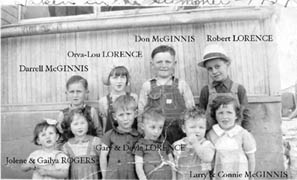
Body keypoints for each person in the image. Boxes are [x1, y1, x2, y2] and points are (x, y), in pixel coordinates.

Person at [138, 45, 195, 144]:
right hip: (155, 134)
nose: (163, 65)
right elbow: (141, 112)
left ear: (174, 64)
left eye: (168, 62)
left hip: (179, 134)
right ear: (152, 64)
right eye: (159, 62)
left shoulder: (182, 85)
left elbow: (191, 111)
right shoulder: (147, 86)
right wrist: (142, 132)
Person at [198, 44, 250, 131]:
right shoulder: (206, 91)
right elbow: (201, 117)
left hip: (235, 138)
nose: (214, 71)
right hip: (212, 138)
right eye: (210, 69)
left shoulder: (239, 89)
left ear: (227, 64)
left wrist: (247, 135)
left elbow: (246, 116)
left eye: (217, 66)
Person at [206, 96, 256, 180]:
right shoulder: (211, 134)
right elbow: (208, 160)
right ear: (215, 115)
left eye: (229, 112)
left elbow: (251, 158)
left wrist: (251, 176)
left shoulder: (242, 133)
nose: (225, 116)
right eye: (220, 113)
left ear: (236, 115)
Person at [100, 95, 140, 180]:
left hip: (132, 176)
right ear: (115, 116)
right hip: (113, 176)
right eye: (121, 115)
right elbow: (103, 156)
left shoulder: (139, 137)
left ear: (135, 114)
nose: (125, 118)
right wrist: (104, 176)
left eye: (128, 114)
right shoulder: (109, 135)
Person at [173, 108, 215, 180]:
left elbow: (208, 158)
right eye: (192, 127)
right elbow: (173, 165)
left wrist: (195, 143)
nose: (197, 130)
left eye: (201, 127)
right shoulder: (178, 145)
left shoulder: (206, 144)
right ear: (184, 129)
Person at [57, 75, 102, 142]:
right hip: (69, 150)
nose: (75, 95)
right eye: (72, 92)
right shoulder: (63, 114)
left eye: (79, 91)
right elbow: (59, 137)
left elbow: (99, 132)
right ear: (67, 93)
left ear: (86, 92)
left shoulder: (91, 111)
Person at [133, 108, 175, 180]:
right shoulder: (140, 145)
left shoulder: (165, 143)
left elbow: (172, 163)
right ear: (142, 126)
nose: (157, 131)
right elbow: (139, 168)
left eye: (160, 127)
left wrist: (174, 178)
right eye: (153, 127)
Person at [62, 108, 101, 179]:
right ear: (69, 127)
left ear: (88, 124)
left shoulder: (95, 142)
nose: (80, 127)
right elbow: (65, 170)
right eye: (75, 124)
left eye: (82, 123)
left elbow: (104, 161)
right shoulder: (66, 146)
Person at [99, 66, 138, 133]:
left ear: (127, 80)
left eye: (122, 77)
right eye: (115, 78)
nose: (119, 81)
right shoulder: (103, 101)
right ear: (109, 80)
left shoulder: (133, 97)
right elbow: (105, 126)